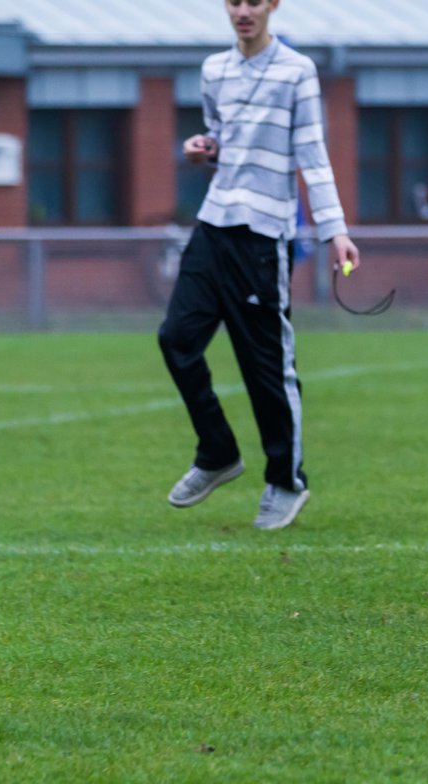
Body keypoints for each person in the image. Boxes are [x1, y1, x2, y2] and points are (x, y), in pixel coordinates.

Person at [158, 0, 359, 530]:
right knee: (175, 338)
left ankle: (286, 481)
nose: (243, 11)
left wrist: (333, 230)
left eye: (254, 1)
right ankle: (218, 452)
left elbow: (312, 156)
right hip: (213, 222)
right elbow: (227, 143)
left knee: (265, 367)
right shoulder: (213, 70)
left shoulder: (298, 72)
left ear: (272, 6)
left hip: (264, 235)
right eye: (234, 2)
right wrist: (205, 149)